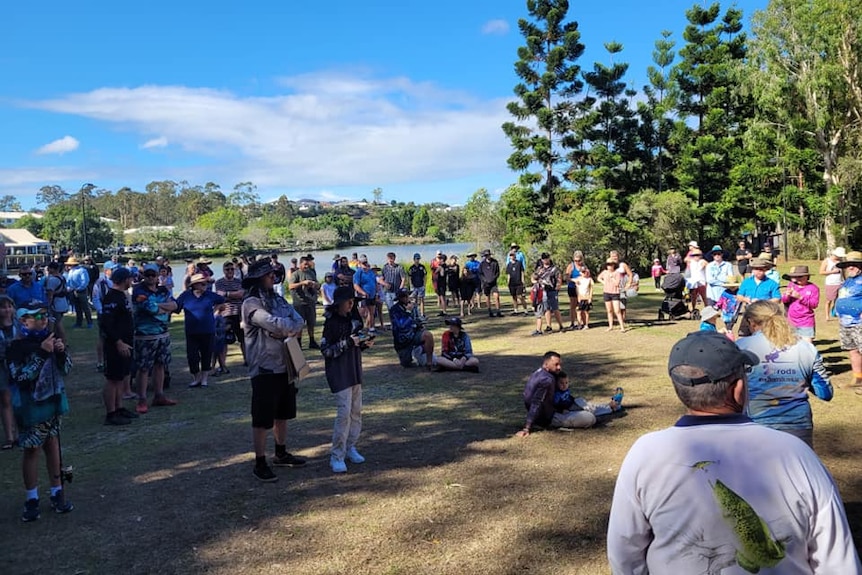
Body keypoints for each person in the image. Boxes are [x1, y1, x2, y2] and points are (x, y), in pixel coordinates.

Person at [607, 330, 861, 574]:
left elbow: (624, 552)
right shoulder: (797, 453)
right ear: (738, 388)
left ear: (679, 389)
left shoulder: (646, 453)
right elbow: (837, 562)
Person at [242, 258, 307, 482]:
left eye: (274, 273)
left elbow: (298, 320)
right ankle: (260, 462)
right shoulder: (250, 303)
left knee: (283, 413)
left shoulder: (278, 298)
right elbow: (272, 323)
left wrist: (285, 329)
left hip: (285, 365)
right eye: (269, 274)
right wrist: (285, 329)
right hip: (264, 368)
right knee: (262, 418)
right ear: (258, 278)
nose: (273, 276)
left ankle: (281, 453)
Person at [9, 300, 74, 522]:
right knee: (32, 450)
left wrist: (61, 352)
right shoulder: (15, 348)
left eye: (45, 315)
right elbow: (20, 377)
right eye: (36, 316)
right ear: (23, 320)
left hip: (53, 404)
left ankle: (57, 491)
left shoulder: (51, 340)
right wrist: (41, 354)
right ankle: (32, 497)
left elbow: (66, 370)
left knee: (53, 446)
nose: (43, 319)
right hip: (30, 408)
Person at [737, 301, 832, 448]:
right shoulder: (807, 348)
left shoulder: (741, 347)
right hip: (798, 426)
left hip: (756, 424)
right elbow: (825, 392)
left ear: (751, 322)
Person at [320, 286, 373, 473]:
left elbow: (357, 342)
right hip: (339, 372)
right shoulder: (331, 323)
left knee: (356, 411)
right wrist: (349, 342)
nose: (351, 305)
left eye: (353, 302)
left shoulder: (354, 319)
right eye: (348, 301)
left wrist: (365, 343)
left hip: (354, 370)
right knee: (343, 414)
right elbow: (326, 350)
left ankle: (351, 446)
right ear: (338, 304)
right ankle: (337, 455)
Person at [132, 263, 177, 414]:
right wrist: (163, 307)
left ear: (158, 276)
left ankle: (159, 395)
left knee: (161, 365)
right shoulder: (139, 291)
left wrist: (160, 306)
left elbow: (175, 305)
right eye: (148, 275)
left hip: (163, 334)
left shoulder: (163, 290)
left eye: (153, 275)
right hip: (145, 335)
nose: (150, 278)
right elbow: (152, 309)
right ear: (143, 276)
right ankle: (142, 399)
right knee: (144, 368)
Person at [99, 267, 138, 426]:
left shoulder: (122, 296)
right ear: (124, 280)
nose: (132, 281)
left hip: (126, 342)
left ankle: (119, 407)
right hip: (116, 345)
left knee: (121, 377)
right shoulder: (111, 297)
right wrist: (118, 342)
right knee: (113, 379)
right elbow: (107, 324)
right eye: (130, 278)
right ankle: (111, 413)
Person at [175, 273, 226, 388]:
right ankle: (196, 377)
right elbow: (176, 307)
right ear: (195, 285)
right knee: (192, 356)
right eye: (202, 283)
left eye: (206, 283)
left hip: (208, 330)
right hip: (191, 331)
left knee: (206, 354)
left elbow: (222, 300)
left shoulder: (209, 295)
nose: (205, 285)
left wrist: (216, 311)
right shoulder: (186, 295)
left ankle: (204, 379)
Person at [552, 371, 623, 428]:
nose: (564, 385)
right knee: (590, 410)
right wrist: (562, 410)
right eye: (561, 383)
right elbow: (556, 404)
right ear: (556, 384)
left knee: (592, 406)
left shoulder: (566, 390)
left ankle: (612, 405)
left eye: (566, 383)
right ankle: (612, 407)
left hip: (574, 403)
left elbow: (570, 397)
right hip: (569, 409)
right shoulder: (557, 394)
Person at [834, 250, 862, 391]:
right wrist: (836, 311)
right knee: (853, 350)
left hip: (859, 322)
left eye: (854, 264)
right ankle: (858, 378)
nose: (850, 267)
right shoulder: (848, 281)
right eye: (848, 265)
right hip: (845, 322)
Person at [389, 288, 435, 368]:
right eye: (404, 296)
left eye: (407, 296)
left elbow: (417, 319)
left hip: (414, 334)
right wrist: (408, 313)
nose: (407, 298)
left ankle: (429, 362)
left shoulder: (413, 306)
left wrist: (420, 324)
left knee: (428, 335)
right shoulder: (394, 310)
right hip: (402, 341)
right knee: (406, 364)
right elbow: (401, 326)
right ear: (399, 298)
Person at [214, 260, 246, 364]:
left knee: (243, 339)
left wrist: (227, 294)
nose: (230, 271)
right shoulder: (219, 282)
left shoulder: (239, 281)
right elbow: (220, 296)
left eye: (232, 269)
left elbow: (241, 294)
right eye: (227, 269)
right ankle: (222, 365)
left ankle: (247, 360)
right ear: (223, 270)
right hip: (226, 313)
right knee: (223, 340)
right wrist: (233, 295)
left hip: (239, 313)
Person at [288, 256, 320, 349]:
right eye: (305, 264)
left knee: (311, 322)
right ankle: (299, 343)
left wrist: (315, 285)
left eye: (308, 264)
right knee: (300, 323)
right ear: (300, 264)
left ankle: (312, 341)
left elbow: (318, 285)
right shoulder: (296, 274)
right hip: (299, 303)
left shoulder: (311, 273)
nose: (306, 266)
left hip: (310, 302)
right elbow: (290, 286)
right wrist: (302, 283)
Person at [781, 265, 820, 342]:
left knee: (807, 346)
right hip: (792, 320)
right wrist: (786, 295)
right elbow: (784, 301)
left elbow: (814, 304)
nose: (798, 279)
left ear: (807, 276)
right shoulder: (792, 285)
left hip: (806, 321)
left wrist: (801, 298)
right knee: (792, 346)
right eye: (796, 277)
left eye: (800, 276)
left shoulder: (813, 288)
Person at [0, 296, 18, 449]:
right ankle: (9, 437)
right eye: (3, 307)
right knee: (5, 399)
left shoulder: (18, 325)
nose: (6, 310)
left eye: (9, 306)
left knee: (18, 399)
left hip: (18, 366)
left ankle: (20, 433)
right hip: (2, 367)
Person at [535, 253, 565, 332]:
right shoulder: (539, 269)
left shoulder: (554, 269)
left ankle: (561, 325)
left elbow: (559, 279)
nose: (545, 260)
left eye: (546, 258)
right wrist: (538, 275)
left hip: (552, 290)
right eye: (543, 258)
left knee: (555, 308)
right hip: (543, 291)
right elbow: (534, 277)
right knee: (546, 309)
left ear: (549, 258)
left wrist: (557, 289)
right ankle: (549, 326)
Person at [598, 260, 626, 332]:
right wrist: (603, 282)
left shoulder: (617, 273)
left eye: (611, 265)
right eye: (608, 265)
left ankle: (622, 327)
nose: (609, 266)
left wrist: (612, 277)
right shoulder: (604, 272)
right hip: (606, 293)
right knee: (609, 310)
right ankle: (610, 326)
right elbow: (598, 278)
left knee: (617, 310)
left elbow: (617, 283)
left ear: (614, 265)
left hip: (615, 293)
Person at [352, 256, 379, 332]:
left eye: (366, 262)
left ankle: (371, 328)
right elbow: (356, 285)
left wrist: (377, 293)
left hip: (372, 295)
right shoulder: (358, 273)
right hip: (362, 296)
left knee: (371, 312)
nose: (365, 264)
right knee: (362, 313)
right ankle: (359, 329)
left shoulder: (371, 272)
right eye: (363, 263)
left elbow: (375, 282)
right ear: (359, 263)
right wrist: (363, 292)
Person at [379, 252, 406, 321]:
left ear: (394, 258)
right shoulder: (385, 268)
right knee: (390, 309)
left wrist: (400, 289)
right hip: (387, 292)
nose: (390, 260)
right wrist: (385, 284)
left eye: (392, 258)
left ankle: (399, 322)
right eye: (389, 259)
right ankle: (393, 323)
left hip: (396, 291)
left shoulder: (399, 267)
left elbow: (403, 279)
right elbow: (381, 279)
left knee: (398, 308)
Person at [819, 247, 845, 320]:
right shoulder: (827, 261)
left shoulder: (841, 261)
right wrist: (833, 272)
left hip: (841, 282)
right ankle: (827, 316)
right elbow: (821, 272)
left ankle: (836, 313)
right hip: (831, 283)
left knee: (839, 300)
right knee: (829, 300)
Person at [478, 249, 502, 317]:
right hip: (486, 284)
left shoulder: (495, 262)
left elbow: (498, 272)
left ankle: (498, 311)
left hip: (493, 283)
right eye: (486, 255)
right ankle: (489, 311)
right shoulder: (482, 264)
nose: (487, 256)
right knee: (487, 297)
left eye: (488, 255)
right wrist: (484, 280)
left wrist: (494, 278)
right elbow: (480, 274)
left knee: (496, 296)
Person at [563, 251, 583, 328]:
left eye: (579, 260)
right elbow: (567, 277)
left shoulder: (583, 266)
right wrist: (573, 280)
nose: (577, 262)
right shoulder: (571, 266)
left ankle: (580, 322)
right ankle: (572, 322)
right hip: (572, 287)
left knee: (580, 306)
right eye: (575, 260)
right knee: (573, 306)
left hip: (581, 289)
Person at [685, 248, 708, 313]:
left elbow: (708, 265)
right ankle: (693, 309)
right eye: (695, 255)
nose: (696, 256)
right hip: (694, 282)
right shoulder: (691, 261)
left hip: (702, 282)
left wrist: (704, 264)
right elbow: (686, 259)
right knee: (693, 297)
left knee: (704, 297)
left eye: (698, 255)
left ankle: (707, 309)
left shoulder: (703, 261)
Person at [506, 250, 527, 316]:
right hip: (512, 283)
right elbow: (508, 274)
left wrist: (523, 281)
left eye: (513, 255)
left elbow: (522, 272)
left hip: (519, 282)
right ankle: (516, 310)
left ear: (515, 256)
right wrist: (508, 282)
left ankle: (525, 310)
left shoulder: (519, 263)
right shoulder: (509, 265)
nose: (512, 256)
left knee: (520, 296)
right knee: (514, 297)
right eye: (511, 255)